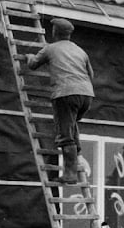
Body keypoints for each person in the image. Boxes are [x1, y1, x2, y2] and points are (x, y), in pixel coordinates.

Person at [26, 18, 94, 184]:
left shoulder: (50, 48)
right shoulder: (80, 51)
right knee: (70, 125)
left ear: (55, 32)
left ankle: (70, 174)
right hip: (86, 95)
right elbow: (91, 75)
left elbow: (33, 65)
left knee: (65, 135)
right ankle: (77, 156)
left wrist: (28, 56)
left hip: (65, 93)